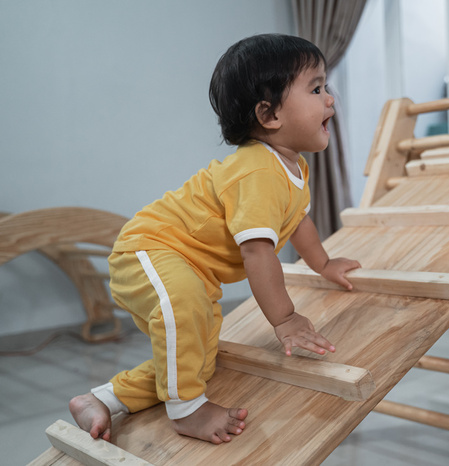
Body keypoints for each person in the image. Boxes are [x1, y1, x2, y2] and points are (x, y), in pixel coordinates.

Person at [69, 34, 361, 445]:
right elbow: (258, 251)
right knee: (184, 308)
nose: (330, 99)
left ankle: (104, 398)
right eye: (315, 89)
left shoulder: (291, 170)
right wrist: (285, 318)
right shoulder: (257, 170)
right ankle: (186, 410)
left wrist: (324, 264)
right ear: (269, 114)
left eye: (325, 86)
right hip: (152, 248)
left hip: (194, 268)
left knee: (194, 359)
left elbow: (297, 221)